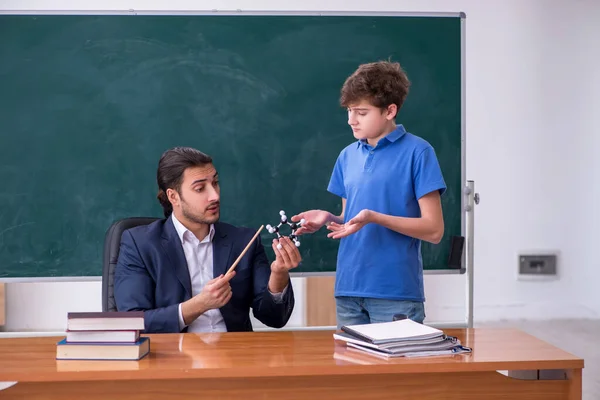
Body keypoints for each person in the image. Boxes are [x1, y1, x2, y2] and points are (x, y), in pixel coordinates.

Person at [292, 61, 446, 327]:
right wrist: (329, 216)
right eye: (350, 111)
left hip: (395, 292)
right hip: (349, 289)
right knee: (351, 369)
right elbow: (351, 219)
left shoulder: (418, 152)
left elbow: (434, 230)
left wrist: (376, 217)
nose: (351, 120)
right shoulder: (347, 156)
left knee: (395, 369)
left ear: (390, 110)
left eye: (361, 112)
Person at [114, 147, 300, 333]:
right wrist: (199, 305)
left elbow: (275, 318)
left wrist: (278, 275)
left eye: (216, 183)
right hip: (172, 357)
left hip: (234, 356)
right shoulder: (139, 243)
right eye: (200, 188)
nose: (215, 195)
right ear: (173, 196)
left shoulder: (244, 241)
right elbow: (133, 322)